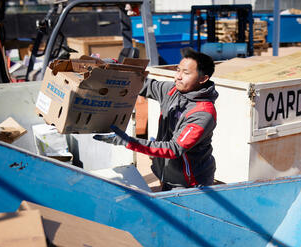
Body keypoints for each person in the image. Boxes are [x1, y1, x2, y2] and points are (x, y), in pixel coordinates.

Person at [94, 47, 219, 191]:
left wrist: (128, 142)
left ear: (203, 78)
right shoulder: (172, 90)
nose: (178, 76)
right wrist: (112, 68)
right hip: (167, 174)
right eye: (178, 70)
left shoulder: (203, 113)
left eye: (186, 73)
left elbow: (174, 149)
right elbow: (141, 84)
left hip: (190, 183)